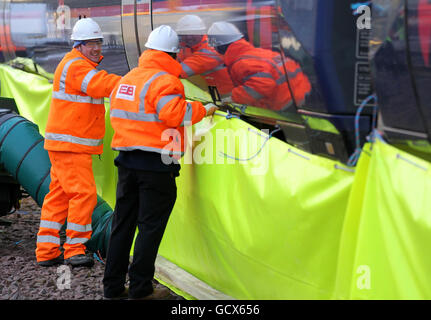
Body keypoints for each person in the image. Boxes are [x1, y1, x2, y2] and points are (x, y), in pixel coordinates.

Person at [103, 25, 217, 300]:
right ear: (173, 55)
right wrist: (203, 109)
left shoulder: (129, 78)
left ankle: (113, 288)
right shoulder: (166, 81)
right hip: (156, 165)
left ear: (148, 51)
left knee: (122, 225)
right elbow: (173, 114)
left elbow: (118, 114)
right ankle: (141, 290)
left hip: (127, 162)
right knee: (150, 228)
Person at [35, 18, 122, 268]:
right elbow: (100, 85)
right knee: (83, 194)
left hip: (64, 145)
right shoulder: (77, 66)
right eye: (90, 43)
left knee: (58, 197)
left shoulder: (76, 63)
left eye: (98, 42)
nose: (96, 48)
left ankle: (47, 250)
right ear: (78, 45)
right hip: (71, 146)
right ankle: (75, 249)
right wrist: (133, 84)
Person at [207, 21, 311, 112]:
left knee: (263, 130)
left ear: (219, 47)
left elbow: (262, 85)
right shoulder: (257, 53)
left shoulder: (241, 63)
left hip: (284, 104)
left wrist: (233, 98)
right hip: (302, 94)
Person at [176, 15, 233, 96]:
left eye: (192, 33)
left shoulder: (212, 47)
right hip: (209, 92)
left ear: (202, 32)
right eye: (184, 33)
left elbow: (180, 71)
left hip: (229, 95)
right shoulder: (185, 45)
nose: (188, 37)